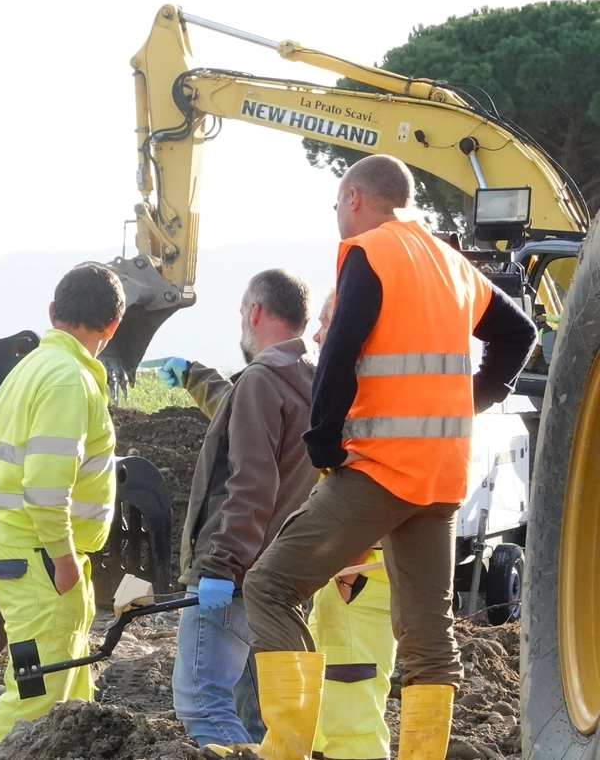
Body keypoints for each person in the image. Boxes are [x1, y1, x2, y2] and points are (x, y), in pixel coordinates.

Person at [234, 155, 535, 760]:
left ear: (353, 198)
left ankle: (284, 750)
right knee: (429, 634)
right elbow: (520, 332)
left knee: (269, 587)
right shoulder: (451, 263)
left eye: (337, 208)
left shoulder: (369, 252)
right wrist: (476, 398)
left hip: (379, 471)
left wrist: (323, 444)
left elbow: (341, 351)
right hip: (443, 476)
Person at [0, 264, 125, 760]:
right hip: (44, 560)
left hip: (28, 555)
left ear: (52, 313)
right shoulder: (69, 379)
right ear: (113, 327)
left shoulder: (28, 369)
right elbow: (47, 489)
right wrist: (65, 559)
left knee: (68, 685)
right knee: (39, 689)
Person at [153, 269, 317, 750]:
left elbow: (251, 484)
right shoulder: (307, 379)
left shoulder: (263, 380)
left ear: (256, 311)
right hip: (277, 576)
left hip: (236, 576)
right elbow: (245, 416)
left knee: (202, 703)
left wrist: (220, 566)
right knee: (260, 715)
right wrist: (193, 374)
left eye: (242, 310)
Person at [309, 288, 401, 760]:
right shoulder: (386, 391)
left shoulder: (365, 398)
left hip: (358, 577)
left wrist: (348, 560)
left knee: (352, 722)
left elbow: (367, 485)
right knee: (335, 720)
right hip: (356, 576)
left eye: (327, 322)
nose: (318, 333)